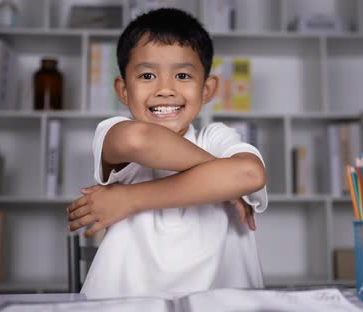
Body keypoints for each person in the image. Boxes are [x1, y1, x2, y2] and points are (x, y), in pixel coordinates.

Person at [67, 7, 268, 299]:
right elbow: (141, 140)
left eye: (183, 75)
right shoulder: (113, 131)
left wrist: (130, 198)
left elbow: (250, 174)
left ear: (207, 89)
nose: (165, 90)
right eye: (147, 75)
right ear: (123, 91)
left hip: (225, 304)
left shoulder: (217, 137)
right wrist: (224, 182)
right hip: (127, 304)